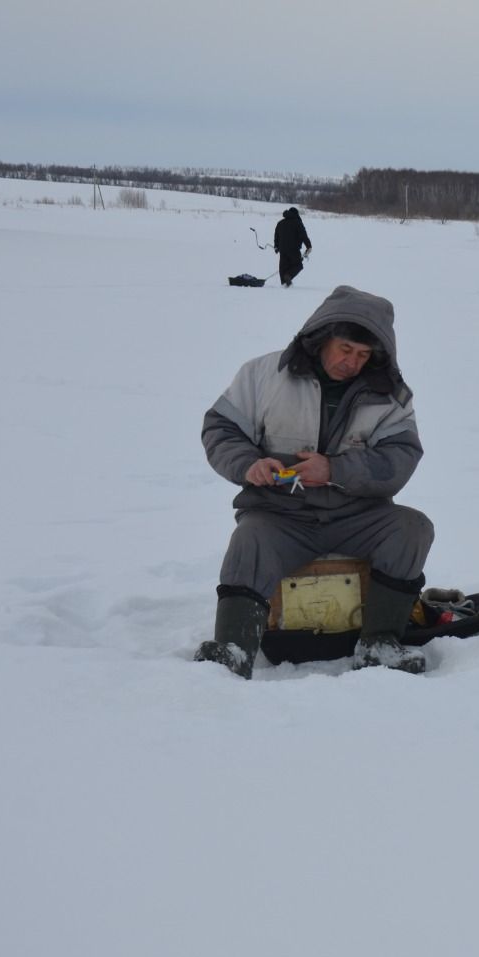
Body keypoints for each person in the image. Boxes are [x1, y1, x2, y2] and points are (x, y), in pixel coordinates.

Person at [194, 285, 434, 677]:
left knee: (412, 528)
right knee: (249, 540)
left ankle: (380, 643)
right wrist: (248, 464)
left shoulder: (390, 396)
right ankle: (233, 649)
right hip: (279, 516)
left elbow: (400, 460)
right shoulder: (262, 375)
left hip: (357, 517)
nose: (353, 363)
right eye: (345, 350)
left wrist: (336, 470)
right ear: (322, 339)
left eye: (363, 355)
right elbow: (220, 429)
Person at [273, 207, 312, 287]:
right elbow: (303, 235)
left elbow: (276, 236)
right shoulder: (297, 223)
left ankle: (284, 285)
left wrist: (276, 246)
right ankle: (288, 277)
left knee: (283, 268)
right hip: (294, 249)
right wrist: (308, 246)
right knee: (298, 265)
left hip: (282, 249)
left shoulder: (280, 223)